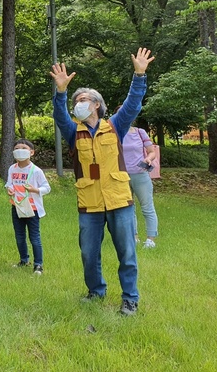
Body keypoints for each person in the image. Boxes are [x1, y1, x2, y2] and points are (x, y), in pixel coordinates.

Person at [50, 47, 154, 316]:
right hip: (90, 203)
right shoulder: (74, 132)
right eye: (76, 101)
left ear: (97, 104)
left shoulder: (115, 126)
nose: (79, 103)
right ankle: (96, 291)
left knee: (127, 254)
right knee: (88, 253)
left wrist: (139, 74)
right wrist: (61, 92)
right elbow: (60, 116)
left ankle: (130, 298)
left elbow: (133, 104)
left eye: (84, 99)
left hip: (119, 200)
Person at [4, 139, 51, 273]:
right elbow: (9, 183)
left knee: (34, 237)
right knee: (19, 236)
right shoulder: (12, 168)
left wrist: (34, 190)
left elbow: (47, 188)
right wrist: (9, 189)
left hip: (32, 209)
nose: (20, 150)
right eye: (17, 148)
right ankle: (24, 260)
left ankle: (38, 264)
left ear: (31, 152)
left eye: (24, 148)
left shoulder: (36, 171)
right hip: (17, 207)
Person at [121, 122, 159, 247]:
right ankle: (134, 237)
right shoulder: (115, 133)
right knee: (128, 208)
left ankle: (151, 239)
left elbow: (151, 151)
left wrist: (148, 159)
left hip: (140, 174)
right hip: (122, 176)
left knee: (147, 207)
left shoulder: (139, 132)